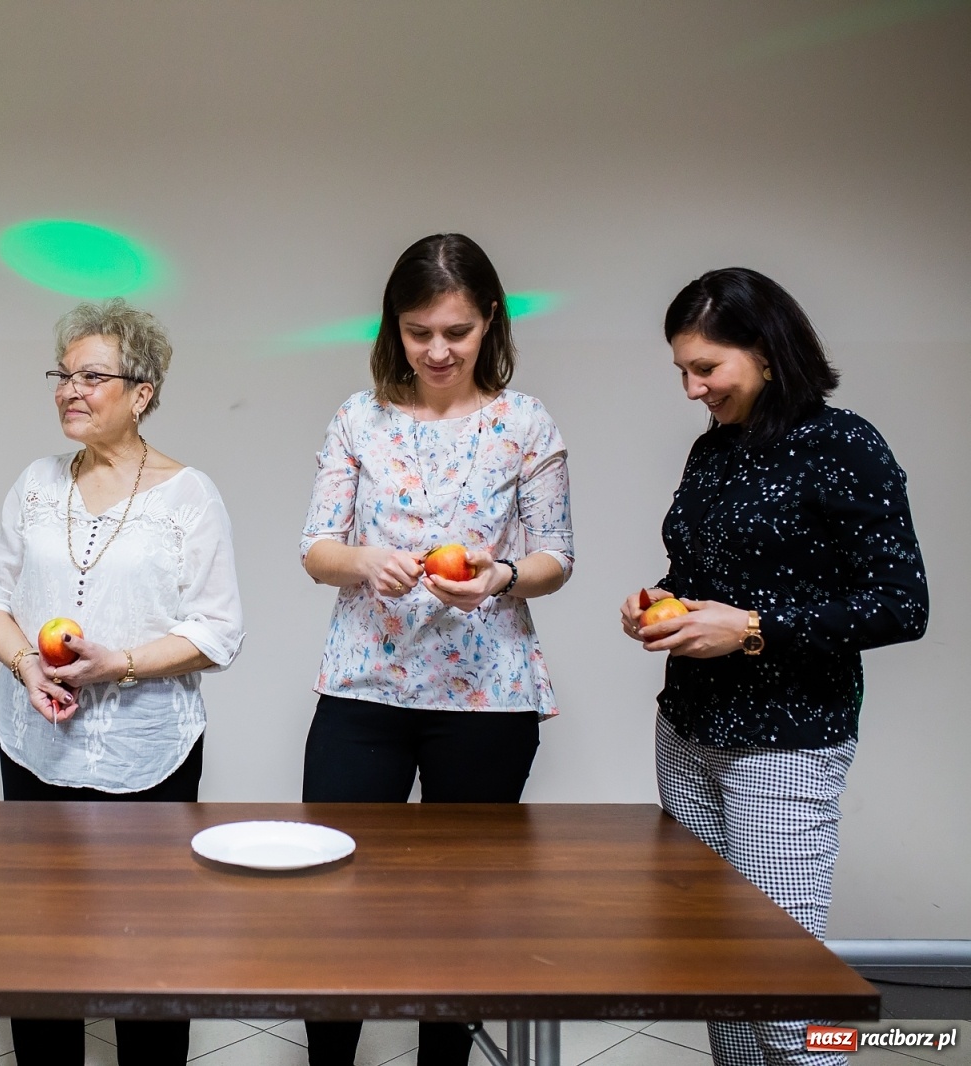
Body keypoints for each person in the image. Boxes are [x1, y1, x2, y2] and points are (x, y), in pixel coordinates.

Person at [621, 268, 927, 1066]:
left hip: (784, 745)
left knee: (785, 992)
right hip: (687, 734)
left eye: (706, 369)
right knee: (724, 972)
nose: (692, 388)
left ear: (765, 351)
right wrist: (665, 603)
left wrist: (752, 630)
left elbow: (902, 607)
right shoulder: (713, 450)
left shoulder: (844, 444)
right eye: (682, 371)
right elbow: (706, 572)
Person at [299, 233, 573, 1066]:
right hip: (365, 688)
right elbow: (317, 548)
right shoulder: (359, 416)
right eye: (419, 332)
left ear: (490, 321)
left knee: (464, 908)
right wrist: (363, 560)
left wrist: (495, 578)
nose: (438, 350)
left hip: (487, 698)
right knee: (332, 893)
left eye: (456, 330)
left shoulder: (526, 423)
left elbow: (556, 558)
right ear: (394, 327)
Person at [0, 298, 244, 1066]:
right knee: (41, 950)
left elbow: (218, 633)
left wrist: (116, 661)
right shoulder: (36, 482)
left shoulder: (189, 495)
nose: (69, 390)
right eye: (63, 374)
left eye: (92, 376)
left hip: (146, 752)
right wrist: (26, 665)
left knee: (147, 952)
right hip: (36, 745)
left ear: (142, 392)